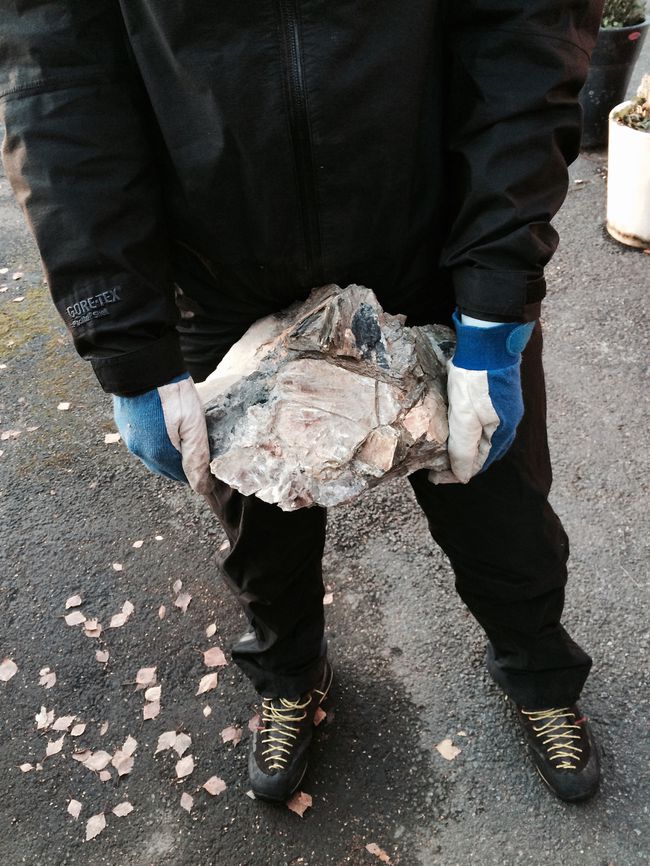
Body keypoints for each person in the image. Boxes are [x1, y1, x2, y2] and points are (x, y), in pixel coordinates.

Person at [1, 0, 604, 804]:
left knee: (502, 505)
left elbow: (526, 31)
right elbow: (55, 72)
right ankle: (289, 674)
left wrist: (496, 299)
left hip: (434, 251)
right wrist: (124, 336)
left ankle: (537, 671)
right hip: (220, 273)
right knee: (261, 531)